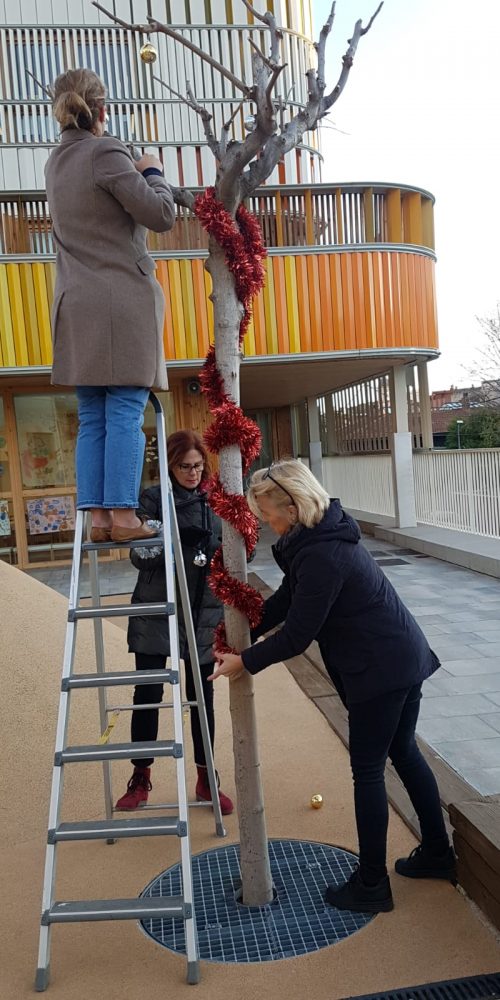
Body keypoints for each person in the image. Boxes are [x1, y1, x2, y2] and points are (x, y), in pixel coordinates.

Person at [210, 459, 456, 914]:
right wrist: (245, 629)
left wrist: (245, 661)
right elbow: (290, 597)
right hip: (399, 656)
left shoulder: (321, 553)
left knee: (369, 771)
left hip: (379, 669)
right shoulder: (318, 536)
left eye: (268, 515)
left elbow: (298, 635)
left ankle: (372, 885)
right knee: (403, 752)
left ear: (292, 507)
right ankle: (439, 853)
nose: (267, 524)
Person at [45, 68, 176, 543]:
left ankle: (99, 520)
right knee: (124, 409)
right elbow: (161, 214)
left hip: (75, 303)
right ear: (102, 109)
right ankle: (123, 516)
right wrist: (152, 171)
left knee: (93, 415)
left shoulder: (55, 162)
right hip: (118, 301)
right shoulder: (105, 152)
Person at [115, 430, 234, 815]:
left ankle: (206, 776)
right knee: (148, 693)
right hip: (157, 608)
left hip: (202, 609)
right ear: (170, 465)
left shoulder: (214, 501)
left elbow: (236, 553)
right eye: (185, 466)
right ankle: (141, 776)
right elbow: (139, 556)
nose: (193, 473)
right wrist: (172, 538)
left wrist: (214, 547)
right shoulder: (153, 499)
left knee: (203, 698)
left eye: (198, 466)